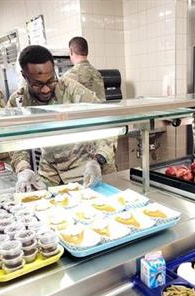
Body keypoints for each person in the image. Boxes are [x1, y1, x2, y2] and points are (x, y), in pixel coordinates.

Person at [7, 45, 116, 190]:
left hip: (85, 168)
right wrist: (23, 168)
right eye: (38, 84)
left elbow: (107, 121)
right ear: (24, 76)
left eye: (50, 81)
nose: (45, 89)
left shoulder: (73, 91)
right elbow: (14, 139)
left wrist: (98, 160)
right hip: (49, 173)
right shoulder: (18, 102)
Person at [63, 36, 106, 101]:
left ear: (71, 51)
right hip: (102, 111)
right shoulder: (97, 74)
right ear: (87, 51)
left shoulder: (68, 76)